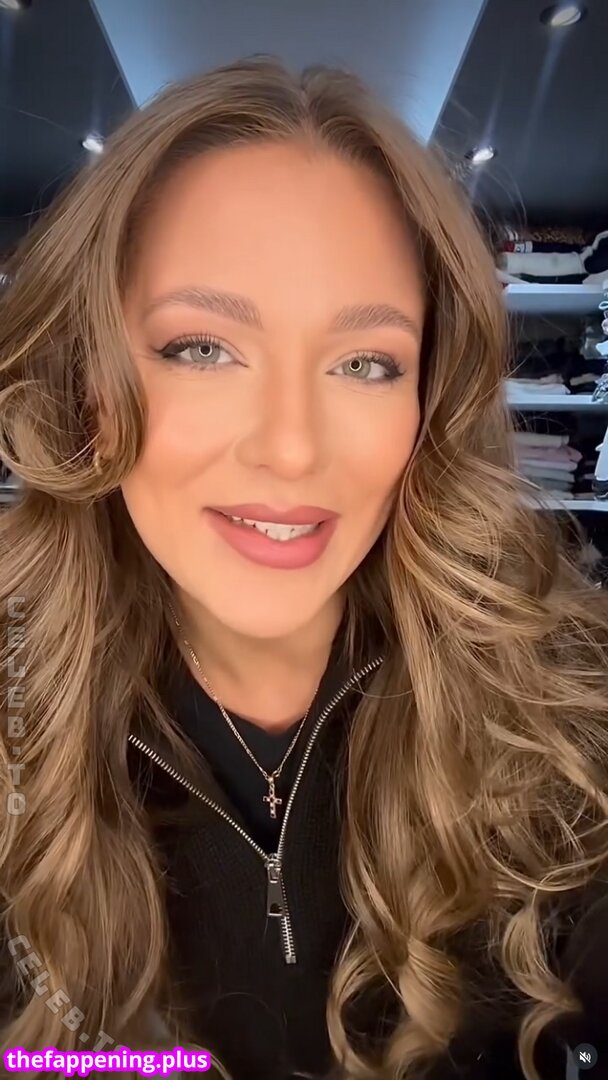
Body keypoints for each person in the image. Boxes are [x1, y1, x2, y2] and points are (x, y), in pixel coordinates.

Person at [1, 56, 608, 1080]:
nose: (290, 448)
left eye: (363, 363)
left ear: (427, 402)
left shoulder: (568, 718)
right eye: (202, 348)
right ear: (88, 384)